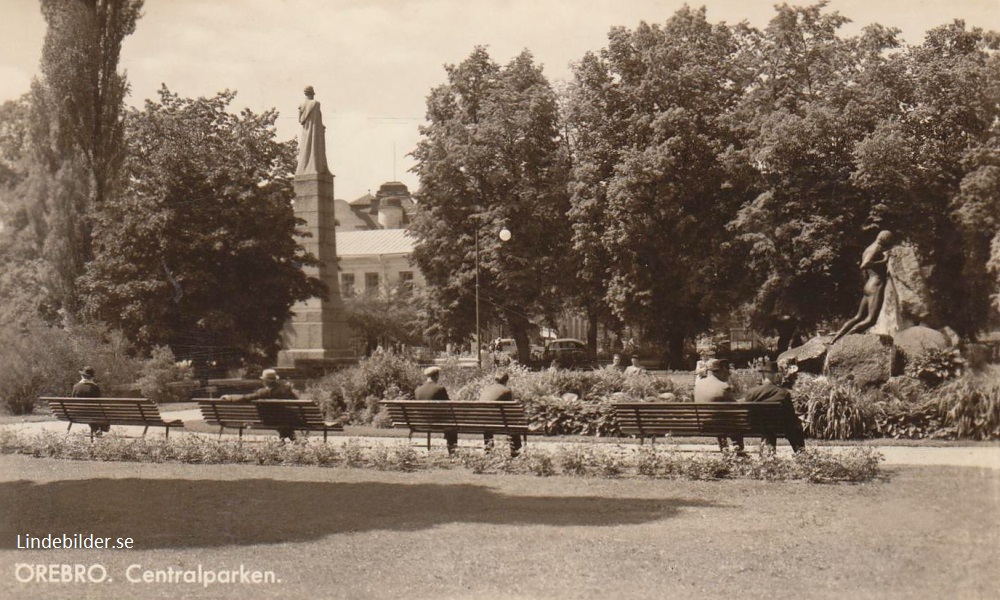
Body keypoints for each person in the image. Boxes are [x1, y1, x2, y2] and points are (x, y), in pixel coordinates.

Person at [832, 230, 895, 344]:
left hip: (869, 284)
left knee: (859, 317)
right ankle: (843, 341)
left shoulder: (869, 248)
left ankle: (835, 339)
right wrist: (884, 260)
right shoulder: (876, 248)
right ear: (884, 239)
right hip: (876, 284)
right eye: (889, 242)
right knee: (871, 320)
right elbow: (864, 265)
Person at [743, 361, 806, 453]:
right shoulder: (783, 393)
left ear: (763, 375)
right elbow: (790, 415)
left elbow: (747, 413)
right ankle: (800, 452)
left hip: (756, 427)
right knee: (795, 426)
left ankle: (768, 452)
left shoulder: (752, 392)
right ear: (776, 375)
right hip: (779, 427)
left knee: (767, 426)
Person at [221, 369, 298, 441]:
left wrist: (230, 397)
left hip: (269, 420)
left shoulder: (262, 392)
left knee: (278, 419)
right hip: (287, 420)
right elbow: (297, 401)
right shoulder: (285, 390)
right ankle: (288, 436)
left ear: (265, 381)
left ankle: (285, 438)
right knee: (284, 418)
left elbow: (245, 398)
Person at [693, 358, 744, 452]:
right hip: (719, 423)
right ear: (721, 371)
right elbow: (736, 407)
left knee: (720, 416)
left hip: (703, 424)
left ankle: (724, 446)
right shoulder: (723, 387)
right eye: (727, 371)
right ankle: (738, 446)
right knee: (731, 418)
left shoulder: (699, 384)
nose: (729, 374)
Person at [478, 372, 522, 456]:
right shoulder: (506, 391)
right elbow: (511, 409)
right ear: (506, 381)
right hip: (499, 422)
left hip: (484, 421)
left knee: (488, 423)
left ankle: (488, 451)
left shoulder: (486, 389)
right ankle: (515, 451)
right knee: (513, 425)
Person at [415, 366, 456, 453]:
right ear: (436, 376)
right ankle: (452, 452)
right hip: (437, 422)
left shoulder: (418, 390)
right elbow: (448, 406)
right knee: (451, 425)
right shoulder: (439, 389)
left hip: (422, 422)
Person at [296, 85, 329, 175]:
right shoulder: (316, 103)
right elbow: (319, 119)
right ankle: (315, 167)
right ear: (312, 93)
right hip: (315, 131)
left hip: (305, 132)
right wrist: (321, 127)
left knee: (305, 149)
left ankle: (304, 168)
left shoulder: (301, 105)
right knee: (314, 149)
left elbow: (299, 119)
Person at [72, 366, 108, 436]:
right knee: (97, 412)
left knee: (89, 413)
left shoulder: (76, 387)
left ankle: (97, 429)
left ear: (82, 376)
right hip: (91, 413)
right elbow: (98, 402)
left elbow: (73, 399)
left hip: (77, 413)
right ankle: (100, 429)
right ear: (92, 377)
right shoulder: (95, 387)